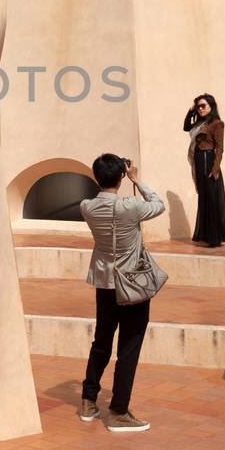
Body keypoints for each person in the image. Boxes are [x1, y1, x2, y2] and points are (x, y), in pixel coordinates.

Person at [77, 153, 165, 433]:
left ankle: (89, 400)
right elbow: (158, 205)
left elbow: (99, 198)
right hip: (133, 284)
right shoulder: (130, 206)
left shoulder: (87, 207)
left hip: (105, 282)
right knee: (129, 345)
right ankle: (118, 411)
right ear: (121, 176)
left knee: (102, 339)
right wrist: (136, 179)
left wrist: (117, 175)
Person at [184, 94, 225, 247]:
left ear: (211, 106)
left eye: (203, 106)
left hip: (209, 162)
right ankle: (206, 235)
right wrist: (190, 112)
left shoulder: (217, 123)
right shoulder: (199, 124)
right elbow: (185, 127)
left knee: (212, 199)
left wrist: (215, 169)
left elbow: (220, 148)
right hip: (198, 162)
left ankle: (215, 238)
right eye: (198, 106)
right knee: (203, 199)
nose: (200, 109)